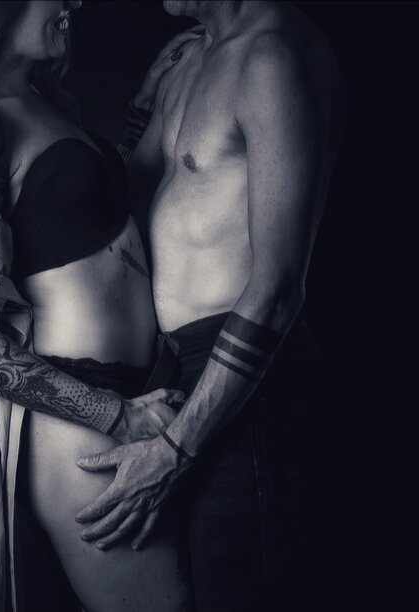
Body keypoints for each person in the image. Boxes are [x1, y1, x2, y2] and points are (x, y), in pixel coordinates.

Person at [0, 2, 201, 611]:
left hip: (137, 396)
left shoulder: (46, 106)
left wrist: (144, 106)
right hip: (84, 419)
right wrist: (116, 417)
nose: (73, 3)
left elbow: (88, 218)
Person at [75, 1, 346, 610]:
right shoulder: (187, 58)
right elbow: (125, 206)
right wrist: (141, 107)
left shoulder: (272, 58)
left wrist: (175, 450)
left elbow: (279, 287)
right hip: (168, 372)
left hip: (244, 381)